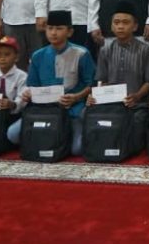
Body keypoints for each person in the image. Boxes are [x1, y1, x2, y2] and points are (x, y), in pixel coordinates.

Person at [12, 10, 95, 155]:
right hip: (44, 109)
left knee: (77, 149)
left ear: (70, 32)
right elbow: (32, 86)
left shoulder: (81, 54)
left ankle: (61, 136)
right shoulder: (38, 56)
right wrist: (29, 94)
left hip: (73, 109)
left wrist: (76, 97)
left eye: (59, 28)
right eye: (50, 28)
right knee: (12, 135)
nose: (53, 33)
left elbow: (91, 85)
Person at [91, 0, 149, 154]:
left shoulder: (145, 50)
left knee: (136, 133)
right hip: (112, 106)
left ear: (135, 26)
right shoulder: (105, 50)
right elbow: (102, 81)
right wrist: (96, 97)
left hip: (138, 106)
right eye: (116, 22)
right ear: (111, 26)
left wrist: (137, 96)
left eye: (125, 22)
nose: (120, 26)